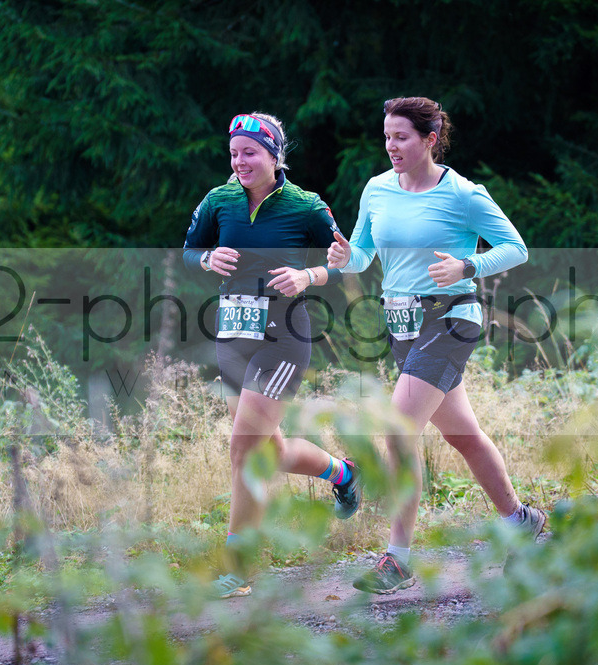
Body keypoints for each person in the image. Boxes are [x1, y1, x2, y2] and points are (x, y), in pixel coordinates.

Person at [327, 96, 546, 594]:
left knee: (400, 428)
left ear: (429, 139)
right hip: (401, 324)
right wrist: (343, 256)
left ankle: (398, 559)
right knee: (462, 435)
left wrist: (467, 267)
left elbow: (516, 248)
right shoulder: (376, 189)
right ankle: (520, 521)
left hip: (451, 318)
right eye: (386, 137)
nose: (391, 146)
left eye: (401, 137)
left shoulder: (464, 194)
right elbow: (362, 258)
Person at [183, 112, 361, 598]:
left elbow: (347, 258)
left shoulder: (305, 205)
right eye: (234, 152)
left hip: (282, 340)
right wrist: (205, 258)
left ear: (274, 156)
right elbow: (188, 250)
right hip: (232, 336)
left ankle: (239, 565)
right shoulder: (218, 201)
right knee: (270, 450)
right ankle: (343, 473)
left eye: (251, 152)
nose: (240, 161)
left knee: (243, 448)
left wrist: (309, 276)